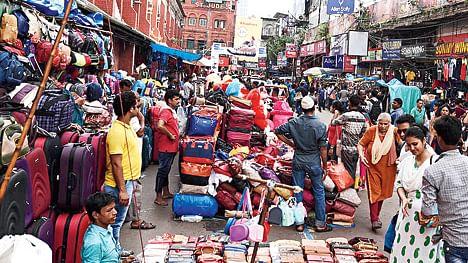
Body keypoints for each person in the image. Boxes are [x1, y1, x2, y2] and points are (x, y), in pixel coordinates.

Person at [275, 96, 330, 233]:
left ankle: (299, 223)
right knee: (319, 191)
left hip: (298, 159)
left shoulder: (294, 122)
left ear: (302, 109)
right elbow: (323, 148)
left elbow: (277, 131)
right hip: (314, 161)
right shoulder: (320, 125)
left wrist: (292, 144)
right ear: (314, 108)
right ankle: (320, 223)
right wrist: (325, 165)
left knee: (297, 190)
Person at [390, 126, 442, 262]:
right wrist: (403, 199)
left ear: (424, 141)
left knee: (424, 253)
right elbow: (399, 184)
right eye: (409, 145)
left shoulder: (435, 162)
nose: (412, 148)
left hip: (427, 216)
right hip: (407, 214)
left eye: (415, 144)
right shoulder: (407, 162)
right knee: (403, 249)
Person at [421, 116, 468, 262]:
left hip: (455, 240)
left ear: (439, 139)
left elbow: (428, 210)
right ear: (459, 137)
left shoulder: (432, 171)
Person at [104, 91, 141, 248]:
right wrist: (122, 190)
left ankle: (116, 250)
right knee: (115, 224)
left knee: (116, 223)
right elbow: (116, 163)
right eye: (137, 104)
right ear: (131, 108)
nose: (139, 106)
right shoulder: (117, 131)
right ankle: (114, 253)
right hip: (119, 184)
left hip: (127, 182)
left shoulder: (126, 127)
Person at [358, 113, 401, 230]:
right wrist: (362, 155)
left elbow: (403, 144)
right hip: (372, 167)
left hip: (389, 168)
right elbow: (361, 144)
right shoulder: (372, 131)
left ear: (390, 124)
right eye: (380, 123)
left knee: (382, 194)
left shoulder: (394, 131)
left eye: (385, 124)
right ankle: (374, 219)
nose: (382, 126)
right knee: (375, 192)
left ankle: (376, 216)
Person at [81, 192, 135, 263]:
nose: (115, 212)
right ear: (95, 215)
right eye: (109, 210)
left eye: (114, 208)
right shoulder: (94, 242)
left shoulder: (108, 227)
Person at [154, 89, 181, 206]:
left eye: (179, 99)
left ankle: (166, 192)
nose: (178, 101)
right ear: (169, 101)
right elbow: (159, 126)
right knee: (163, 170)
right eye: (176, 99)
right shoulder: (166, 111)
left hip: (171, 147)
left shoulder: (171, 111)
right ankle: (158, 196)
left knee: (166, 169)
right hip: (166, 147)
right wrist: (170, 134)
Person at [332, 95, 368, 179]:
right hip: (356, 149)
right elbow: (364, 133)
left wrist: (336, 114)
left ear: (350, 103)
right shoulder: (362, 117)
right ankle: (352, 187)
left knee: (347, 170)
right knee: (353, 168)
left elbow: (333, 122)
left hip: (346, 149)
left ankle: (349, 187)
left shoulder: (346, 115)